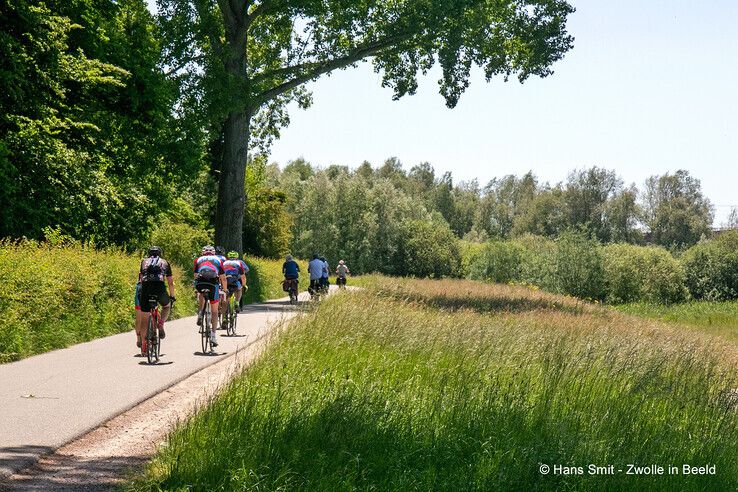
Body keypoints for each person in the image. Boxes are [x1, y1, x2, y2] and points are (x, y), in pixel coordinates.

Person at [138, 246, 175, 351]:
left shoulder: (144, 262)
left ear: (149, 254)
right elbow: (170, 283)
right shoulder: (165, 262)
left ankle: (144, 345)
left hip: (146, 288)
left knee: (144, 318)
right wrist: (172, 296)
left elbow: (141, 279)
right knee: (167, 306)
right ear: (160, 253)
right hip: (159, 288)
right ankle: (161, 323)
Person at [193, 245, 227, 347]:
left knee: (200, 293)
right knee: (215, 311)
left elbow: (195, 276)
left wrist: (195, 289)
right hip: (213, 284)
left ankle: (200, 313)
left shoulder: (198, 260)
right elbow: (223, 278)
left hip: (200, 284)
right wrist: (225, 290)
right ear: (213, 253)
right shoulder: (218, 259)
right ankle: (213, 335)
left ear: (203, 253)